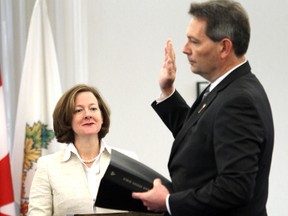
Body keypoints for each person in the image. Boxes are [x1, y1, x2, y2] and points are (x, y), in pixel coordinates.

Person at [132, 0, 274, 215]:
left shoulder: (238, 101)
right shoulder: (226, 88)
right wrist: (168, 90)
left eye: (194, 42)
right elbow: (197, 136)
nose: (185, 49)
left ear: (224, 47)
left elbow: (235, 188)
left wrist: (169, 202)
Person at [28, 84, 134, 216]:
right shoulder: (48, 166)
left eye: (93, 108)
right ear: (67, 119)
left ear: (102, 116)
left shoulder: (128, 160)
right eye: (78, 110)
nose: (88, 114)